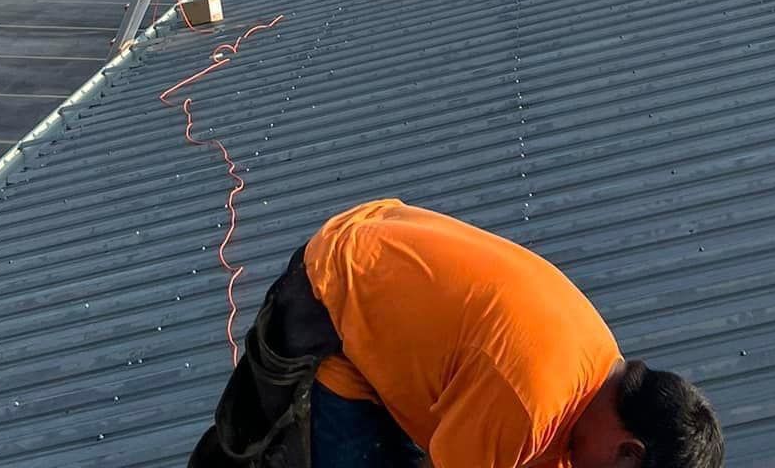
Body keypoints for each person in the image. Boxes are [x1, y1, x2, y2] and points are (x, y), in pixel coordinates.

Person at [189, 199, 722, 468]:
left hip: (379, 244)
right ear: (628, 453)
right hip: (333, 297)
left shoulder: (595, 366)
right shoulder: (529, 402)